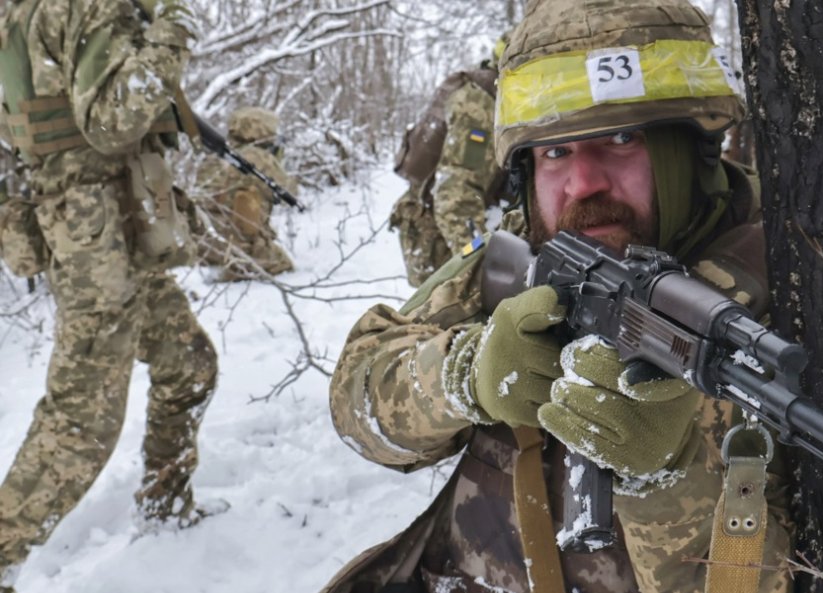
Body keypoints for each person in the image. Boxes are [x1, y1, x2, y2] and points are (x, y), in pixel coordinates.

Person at [325, 1, 792, 592]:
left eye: (622, 138)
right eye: (554, 152)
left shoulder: (789, 285)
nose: (583, 183)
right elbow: (357, 404)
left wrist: (667, 476)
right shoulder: (541, 251)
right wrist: (467, 374)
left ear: (695, 150)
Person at [0, 1, 218, 591]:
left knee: (190, 363)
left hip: (102, 230)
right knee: (82, 421)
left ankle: (165, 509)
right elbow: (110, 122)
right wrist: (174, 27)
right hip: (97, 242)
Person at [389, 35, 508, 286]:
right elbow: (456, 196)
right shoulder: (480, 106)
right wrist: (482, 273)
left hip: (446, 234)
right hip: (438, 241)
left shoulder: (494, 95)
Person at [194, 106, 297, 281]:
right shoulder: (259, 157)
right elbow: (291, 193)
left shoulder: (215, 155)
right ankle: (240, 265)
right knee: (283, 263)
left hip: (203, 245)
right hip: (239, 247)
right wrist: (277, 160)